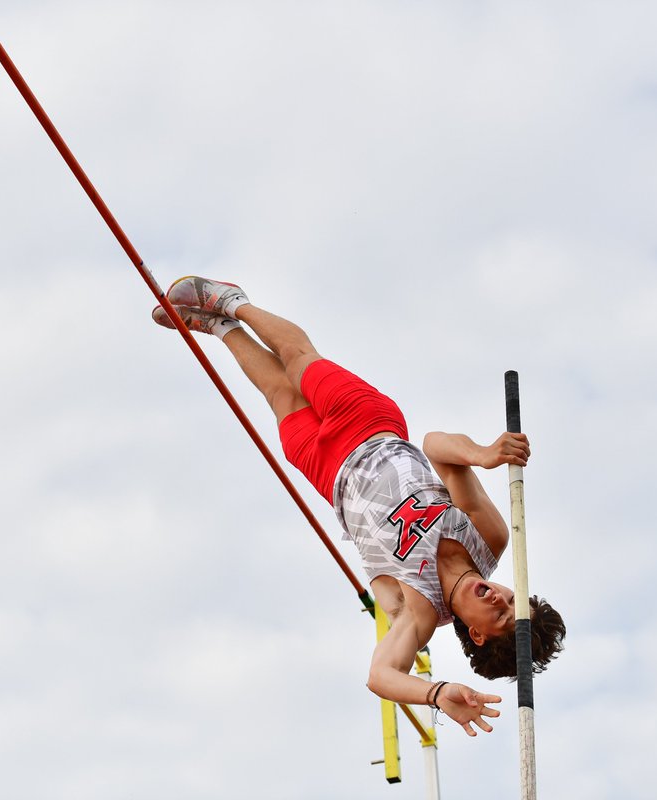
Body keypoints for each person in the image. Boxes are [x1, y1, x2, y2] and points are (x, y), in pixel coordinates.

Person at [152, 276, 565, 737]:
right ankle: (231, 301)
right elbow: (435, 445)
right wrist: (483, 454)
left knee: (280, 395)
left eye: (505, 615)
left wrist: (436, 691)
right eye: (517, 599)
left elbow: (380, 677)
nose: (504, 598)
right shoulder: (487, 538)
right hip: (372, 426)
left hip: (331, 474)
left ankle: (217, 327)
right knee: (299, 360)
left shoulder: (419, 612)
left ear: (478, 634)